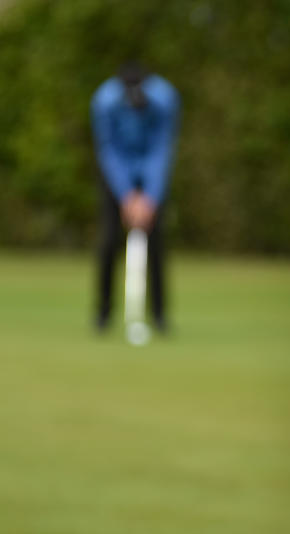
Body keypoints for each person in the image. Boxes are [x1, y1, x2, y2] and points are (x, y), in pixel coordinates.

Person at [90, 62, 179, 332]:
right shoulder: (104, 101)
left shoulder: (165, 98)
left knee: (156, 240)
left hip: (150, 169)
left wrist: (150, 196)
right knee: (108, 240)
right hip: (118, 170)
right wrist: (127, 196)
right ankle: (103, 315)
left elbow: (162, 148)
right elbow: (108, 150)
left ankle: (160, 316)